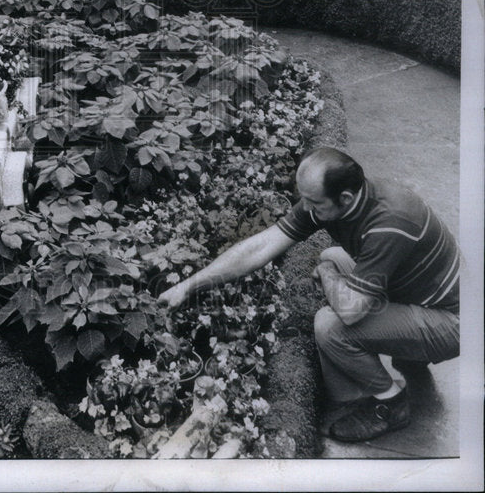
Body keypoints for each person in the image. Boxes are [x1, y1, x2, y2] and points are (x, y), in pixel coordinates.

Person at [159, 146, 459, 442]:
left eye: (314, 203)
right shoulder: (345, 199)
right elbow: (261, 246)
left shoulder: (389, 223)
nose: (305, 209)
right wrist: (188, 286)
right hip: (416, 292)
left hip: (454, 320)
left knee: (331, 326)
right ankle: (387, 366)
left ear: (345, 198)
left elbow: (351, 311)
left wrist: (327, 273)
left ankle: (390, 403)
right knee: (332, 255)